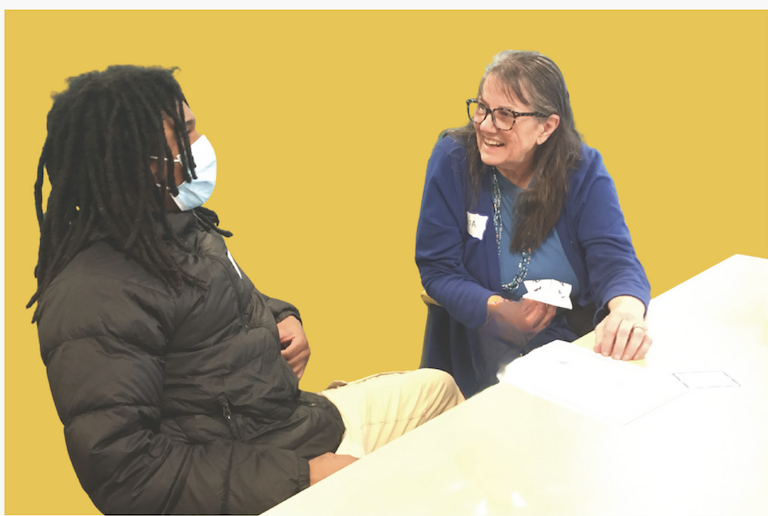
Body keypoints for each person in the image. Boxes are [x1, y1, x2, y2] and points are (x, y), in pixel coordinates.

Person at [28, 65, 463, 515]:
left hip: (290, 419)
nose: (200, 144)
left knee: (441, 390)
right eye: (185, 133)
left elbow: (211, 301)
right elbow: (127, 476)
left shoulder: (175, 224)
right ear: (135, 160)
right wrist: (302, 477)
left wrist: (281, 315)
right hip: (268, 466)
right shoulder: (93, 294)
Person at [416, 50, 651, 398]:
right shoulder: (453, 159)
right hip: (478, 353)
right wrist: (497, 309)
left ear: (547, 127)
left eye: (505, 115)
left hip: (570, 355)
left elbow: (615, 259)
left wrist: (627, 313)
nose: (484, 125)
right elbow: (437, 269)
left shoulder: (582, 170)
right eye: (482, 108)